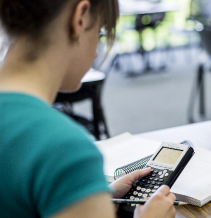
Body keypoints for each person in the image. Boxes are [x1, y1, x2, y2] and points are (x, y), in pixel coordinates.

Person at [0, 0, 175, 217]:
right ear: (80, 19)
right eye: (100, 33)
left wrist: (87, 196)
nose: (95, 53)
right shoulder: (63, 148)